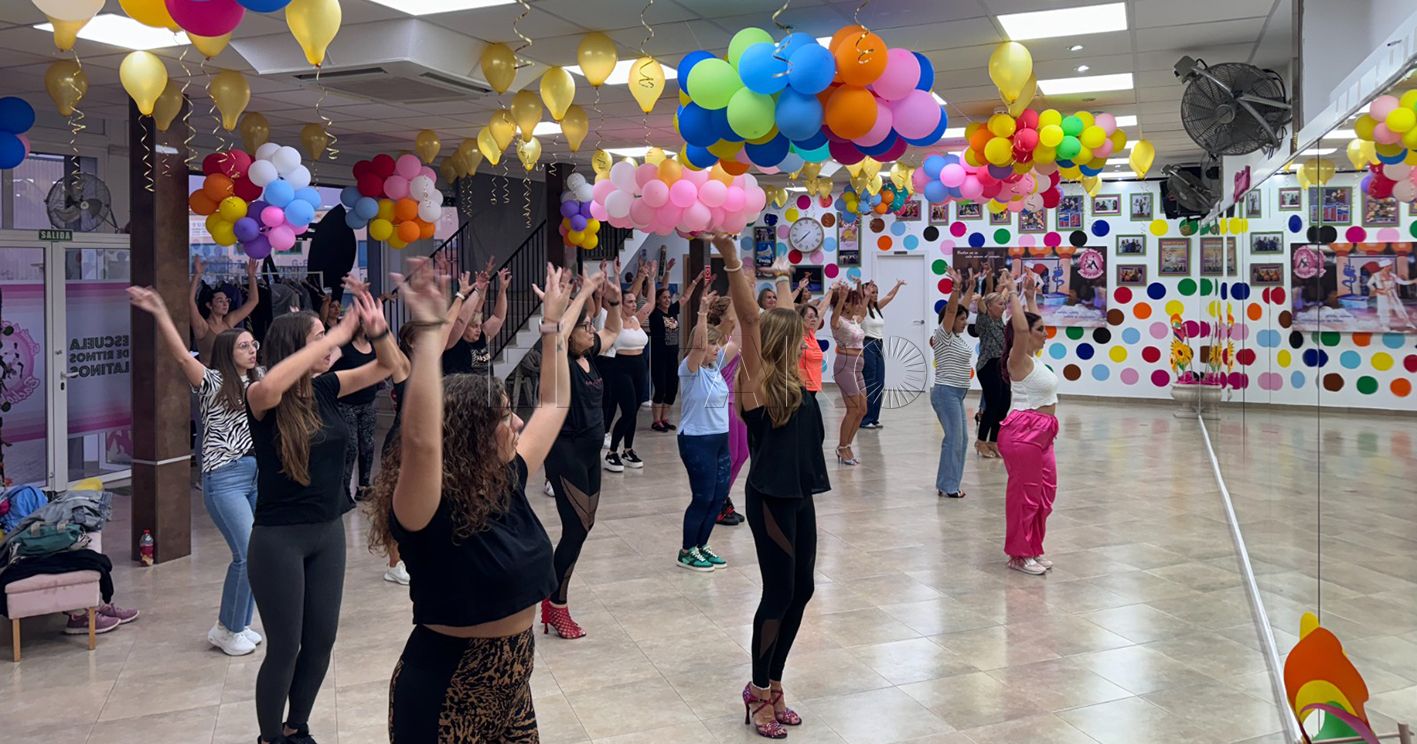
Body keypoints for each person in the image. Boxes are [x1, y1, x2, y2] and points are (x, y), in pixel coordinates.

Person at [374, 260, 591, 742]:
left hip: (512, 688)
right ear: (471, 433)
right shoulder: (425, 506)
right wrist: (428, 339)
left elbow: (554, 404)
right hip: (446, 695)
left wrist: (552, 326)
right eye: (506, 416)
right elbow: (421, 443)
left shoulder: (506, 477)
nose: (518, 424)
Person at [243, 282, 405, 744]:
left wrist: (377, 330)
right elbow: (271, 384)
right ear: (296, 346)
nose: (330, 345)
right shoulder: (261, 396)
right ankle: (270, 738)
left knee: (320, 641)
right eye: (318, 338)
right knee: (285, 647)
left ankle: (297, 727)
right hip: (279, 539)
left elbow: (392, 367)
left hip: (328, 532)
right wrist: (336, 334)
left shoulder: (329, 389)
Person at [712, 234, 830, 740]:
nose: (806, 335)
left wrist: (783, 278)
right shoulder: (757, 383)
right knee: (778, 591)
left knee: (802, 589)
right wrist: (732, 259)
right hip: (770, 497)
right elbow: (749, 318)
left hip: (799, 492)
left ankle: (775, 682)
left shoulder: (797, 378)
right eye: (798, 331)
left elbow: (784, 315)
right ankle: (758, 688)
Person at [128, 287, 263, 656]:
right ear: (227, 352)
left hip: (255, 474)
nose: (252, 350)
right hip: (225, 478)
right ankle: (228, 628)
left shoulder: (259, 380)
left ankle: (238, 624)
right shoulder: (212, 381)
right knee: (246, 553)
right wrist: (160, 311)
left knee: (258, 553)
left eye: (253, 344)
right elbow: (178, 353)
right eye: (244, 346)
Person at [542, 267, 622, 638]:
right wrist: (585, 290)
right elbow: (557, 334)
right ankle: (555, 603)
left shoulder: (589, 355)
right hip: (566, 453)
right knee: (575, 530)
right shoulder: (561, 363)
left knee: (584, 527)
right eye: (584, 327)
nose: (591, 331)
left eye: (590, 327)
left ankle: (552, 595)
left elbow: (613, 331)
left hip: (590, 454)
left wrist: (614, 302)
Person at [675, 289, 739, 572]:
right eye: (711, 344)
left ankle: (701, 545)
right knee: (702, 497)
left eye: (717, 344)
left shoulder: (715, 368)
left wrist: (742, 294)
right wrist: (702, 312)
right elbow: (699, 348)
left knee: (717, 496)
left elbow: (737, 337)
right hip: (696, 441)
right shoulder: (690, 370)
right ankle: (687, 550)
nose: (715, 348)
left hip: (719, 440)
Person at [998, 277, 1057, 577]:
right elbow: (1022, 329)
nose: (1046, 334)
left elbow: (1030, 325)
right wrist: (1012, 293)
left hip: (1043, 434)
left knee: (1045, 494)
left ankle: (1033, 547)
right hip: (1022, 432)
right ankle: (1019, 555)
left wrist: (1031, 296)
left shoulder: (1035, 359)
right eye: (1041, 330)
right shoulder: (1017, 359)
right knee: (1025, 496)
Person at [929, 270, 976, 499]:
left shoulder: (955, 337)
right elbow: (951, 310)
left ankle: (948, 483)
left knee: (962, 440)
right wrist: (955, 288)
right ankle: (948, 486)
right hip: (945, 393)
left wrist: (971, 286)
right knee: (954, 439)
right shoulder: (943, 335)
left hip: (956, 394)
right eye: (962, 319)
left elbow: (959, 308)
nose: (965, 322)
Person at [603, 264, 654, 472]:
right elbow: (614, 297)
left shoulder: (637, 319)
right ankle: (612, 452)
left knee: (633, 412)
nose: (634, 304)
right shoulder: (615, 320)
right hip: (621, 368)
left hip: (639, 367)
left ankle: (628, 450)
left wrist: (651, 279)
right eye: (630, 302)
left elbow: (650, 302)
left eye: (634, 301)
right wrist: (615, 275)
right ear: (622, 305)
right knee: (629, 411)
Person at [650, 268, 707, 432]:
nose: (667, 300)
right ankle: (656, 421)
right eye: (664, 298)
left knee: (672, 388)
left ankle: (665, 418)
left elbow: (685, 297)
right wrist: (657, 276)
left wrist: (696, 280)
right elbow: (652, 299)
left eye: (669, 297)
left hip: (672, 356)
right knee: (660, 388)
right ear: (658, 300)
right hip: (659, 357)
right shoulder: (654, 314)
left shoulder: (673, 311)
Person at [711, 296, 747, 527]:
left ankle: (723, 497)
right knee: (730, 456)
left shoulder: (732, 338)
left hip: (737, 399)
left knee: (742, 453)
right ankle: (717, 502)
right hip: (723, 402)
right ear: (725, 315)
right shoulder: (716, 339)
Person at [443, 262, 510, 376]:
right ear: (464, 328)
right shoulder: (452, 341)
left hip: (484, 386)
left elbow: (498, 317)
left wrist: (502, 290)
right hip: (459, 387)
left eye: (479, 325)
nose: (479, 329)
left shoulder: (481, 337)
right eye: (474, 326)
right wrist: (476, 291)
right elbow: (460, 320)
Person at [189, 256, 260, 360]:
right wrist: (197, 275)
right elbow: (190, 302)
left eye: (227, 300)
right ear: (209, 305)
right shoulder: (202, 326)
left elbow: (253, 301)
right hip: (210, 370)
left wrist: (251, 277)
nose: (225, 304)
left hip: (230, 369)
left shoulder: (228, 321)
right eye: (220, 301)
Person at [829, 283, 868, 465]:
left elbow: (863, 313)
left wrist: (865, 295)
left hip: (858, 368)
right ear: (846, 304)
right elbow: (833, 319)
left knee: (862, 409)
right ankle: (842, 447)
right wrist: (842, 298)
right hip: (845, 367)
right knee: (853, 409)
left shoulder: (854, 320)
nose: (859, 305)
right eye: (856, 302)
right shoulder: (838, 322)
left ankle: (848, 445)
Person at [859, 278, 906, 430]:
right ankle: (865, 419)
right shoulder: (862, 309)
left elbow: (889, 296)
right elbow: (861, 304)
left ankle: (874, 418)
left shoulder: (877, 308)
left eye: (876, 292)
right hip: (868, 344)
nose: (875, 294)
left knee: (879, 383)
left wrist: (897, 285)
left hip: (879, 345)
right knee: (870, 382)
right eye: (872, 292)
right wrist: (864, 293)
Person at [1368, 263, 1415, 331]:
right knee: (1384, 309)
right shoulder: (1376, 275)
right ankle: (1385, 325)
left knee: (1399, 307)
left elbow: (1402, 282)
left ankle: (1408, 323)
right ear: (1385, 266)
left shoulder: (1392, 275)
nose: (1390, 267)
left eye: (1390, 265)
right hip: (1382, 294)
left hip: (1392, 293)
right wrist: (1377, 290)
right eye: (1389, 266)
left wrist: (1412, 281)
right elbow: (1369, 284)